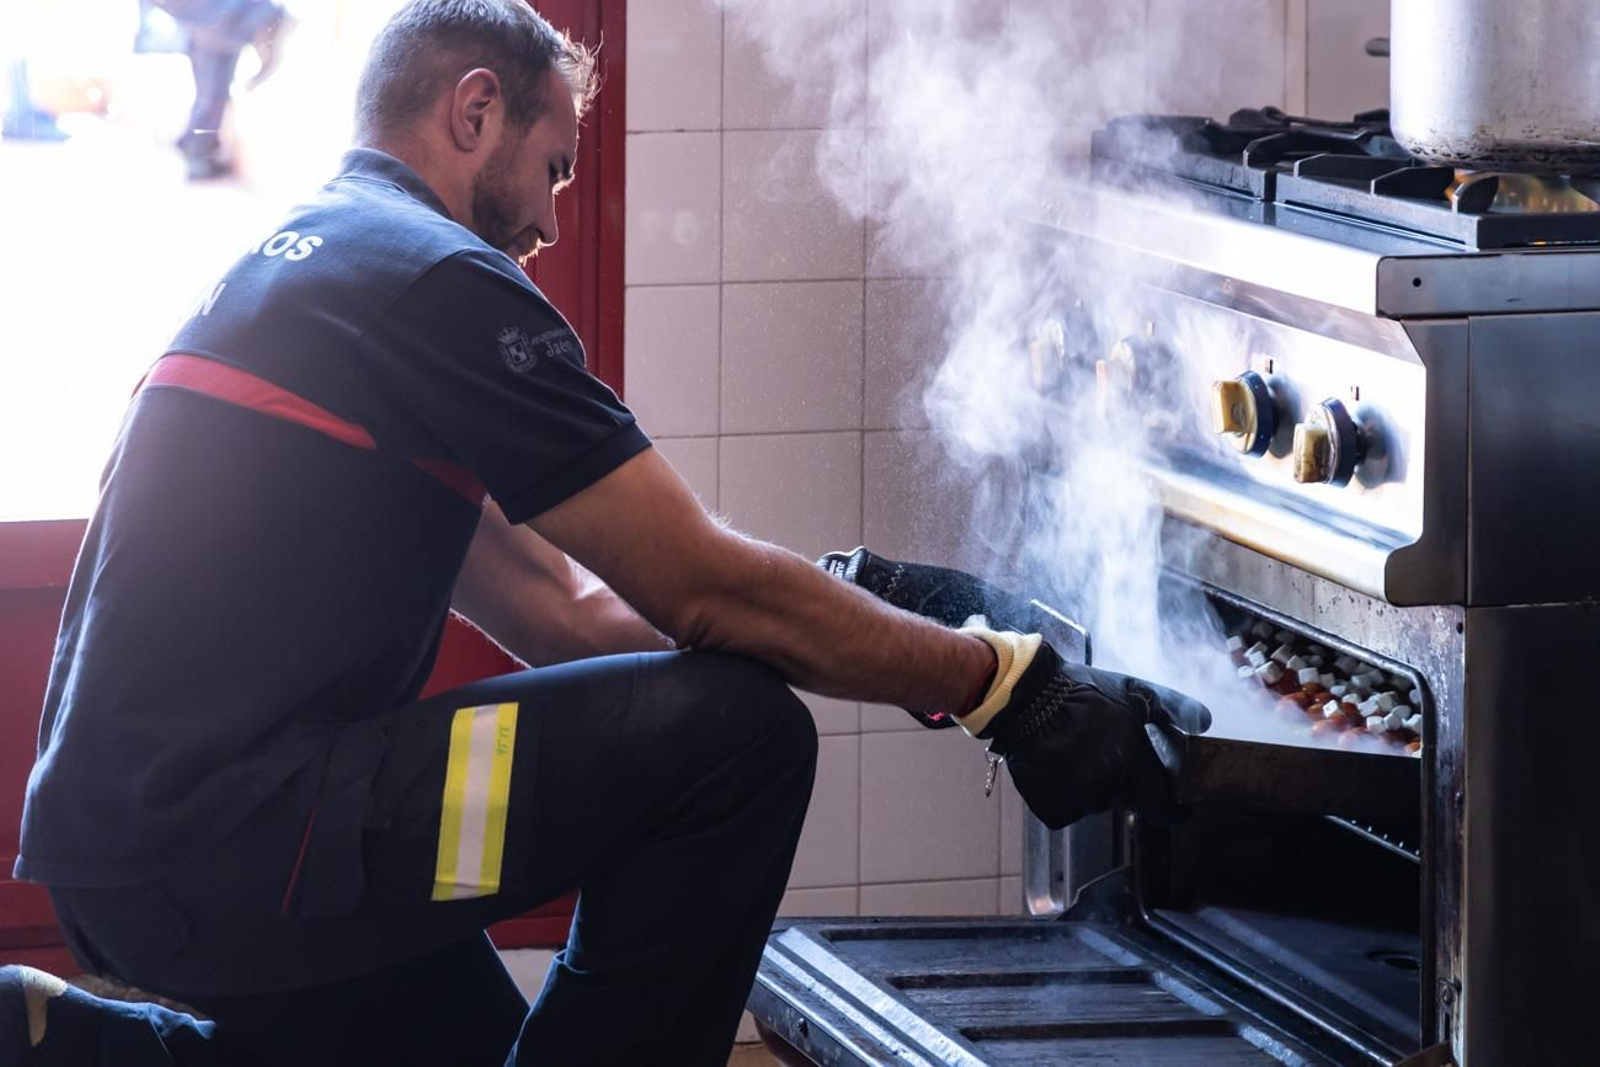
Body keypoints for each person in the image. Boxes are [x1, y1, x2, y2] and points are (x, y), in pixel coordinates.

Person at [2, 1, 1208, 1064]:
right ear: (474, 109)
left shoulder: (311, 270)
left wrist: (852, 596)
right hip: (241, 839)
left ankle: (77, 1042)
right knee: (735, 739)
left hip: (141, 857)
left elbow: (563, 608)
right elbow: (694, 589)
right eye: (553, 165)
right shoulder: (436, 277)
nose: (547, 219)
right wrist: (1005, 687)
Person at [147, 0, 293, 178]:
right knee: (211, 93)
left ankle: (197, 148)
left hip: (222, 27)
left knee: (212, 92)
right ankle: (196, 149)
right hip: (217, 27)